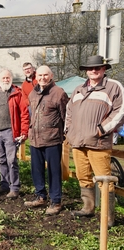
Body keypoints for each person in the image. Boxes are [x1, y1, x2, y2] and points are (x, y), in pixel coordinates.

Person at [66, 55, 124, 228]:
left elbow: (120, 112)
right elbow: (69, 112)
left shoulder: (113, 87)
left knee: (104, 180)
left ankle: (108, 217)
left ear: (104, 69)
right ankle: (88, 207)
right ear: (86, 71)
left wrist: (101, 129)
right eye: (90, 68)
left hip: (98, 143)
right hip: (78, 142)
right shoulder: (78, 89)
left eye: (97, 68)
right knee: (83, 177)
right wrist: (68, 131)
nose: (93, 71)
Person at [24, 66, 69, 215]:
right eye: (40, 75)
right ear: (35, 76)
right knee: (36, 170)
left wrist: (66, 134)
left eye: (45, 75)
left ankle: (56, 201)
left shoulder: (59, 93)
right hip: (35, 139)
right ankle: (40, 196)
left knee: (54, 171)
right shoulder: (33, 93)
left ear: (51, 76)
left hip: (52, 139)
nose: (42, 78)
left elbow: (66, 116)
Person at [0, 69, 29, 199]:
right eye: (3, 78)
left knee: (11, 160)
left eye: (8, 78)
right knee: (1, 160)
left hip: (11, 131)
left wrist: (24, 131)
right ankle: (4, 185)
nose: (5, 80)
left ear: (11, 79)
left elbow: (24, 114)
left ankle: (14, 187)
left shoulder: (17, 93)